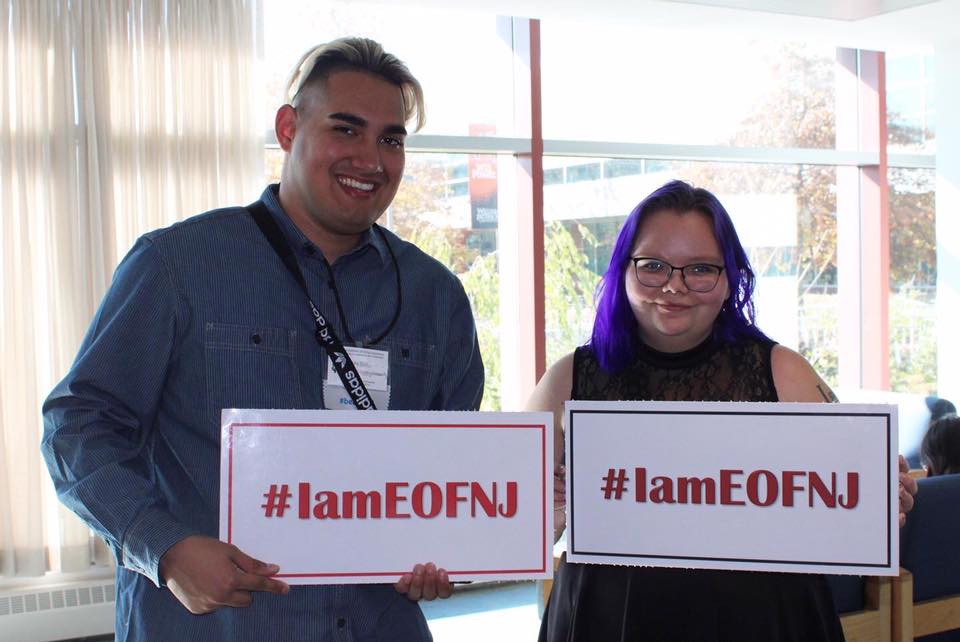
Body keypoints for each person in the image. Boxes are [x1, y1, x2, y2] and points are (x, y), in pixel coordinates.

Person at [42, 37, 483, 641]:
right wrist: (165, 548)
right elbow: (77, 428)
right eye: (346, 129)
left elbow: (447, 466)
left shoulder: (436, 298)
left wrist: (447, 550)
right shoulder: (176, 265)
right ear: (287, 128)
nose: (371, 159)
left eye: (391, 139)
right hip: (216, 627)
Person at [529, 180, 918, 641]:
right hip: (609, 619)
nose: (673, 287)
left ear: (730, 277)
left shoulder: (782, 372)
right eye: (652, 266)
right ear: (622, 271)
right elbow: (512, 521)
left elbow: (848, 501)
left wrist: (880, 501)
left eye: (700, 269)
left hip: (763, 620)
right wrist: (543, 520)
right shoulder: (568, 378)